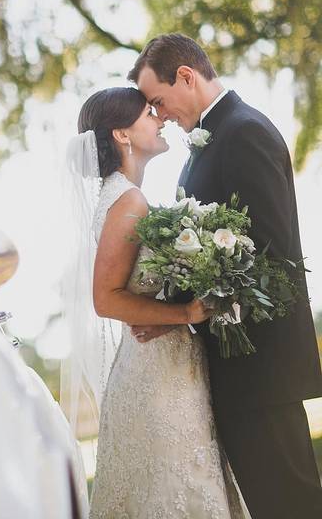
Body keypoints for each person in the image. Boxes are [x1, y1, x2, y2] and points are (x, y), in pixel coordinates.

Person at [130, 33, 322, 518]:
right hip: (239, 366)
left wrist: (182, 316)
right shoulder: (214, 138)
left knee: (290, 503)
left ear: (187, 77)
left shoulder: (245, 132)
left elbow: (270, 256)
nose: (161, 114)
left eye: (159, 100)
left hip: (262, 365)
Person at [61, 86, 248, 517]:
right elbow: (105, 299)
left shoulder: (124, 195)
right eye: (149, 112)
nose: (159, 117)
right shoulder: (127, 200)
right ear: (122, 135)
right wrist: (186, 313)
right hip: (157, 377)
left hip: (162, 365)